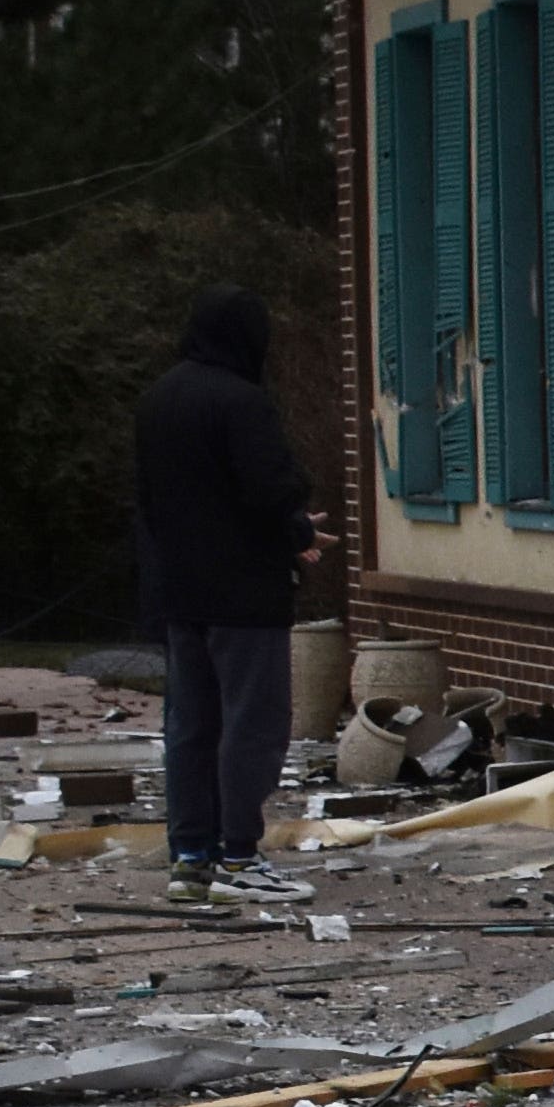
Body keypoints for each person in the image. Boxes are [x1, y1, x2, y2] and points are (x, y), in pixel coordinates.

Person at [133, 288, 318, 905]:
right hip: (244, 594)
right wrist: (299, 529)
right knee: (253, 725)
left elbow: (153, 498)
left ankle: (191, 856)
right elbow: (268, 490)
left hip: (179, 592)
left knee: (191, 725)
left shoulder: (158, 398)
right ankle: (240, 854)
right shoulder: (242, 402)